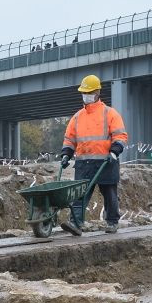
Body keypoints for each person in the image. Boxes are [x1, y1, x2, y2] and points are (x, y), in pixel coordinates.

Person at [59, 74, 127, 233]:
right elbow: (70, 139)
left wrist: (114, 152)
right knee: (80, 195)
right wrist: (66, 155)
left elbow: (120, 136)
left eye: (89, 93)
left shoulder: (110, 113)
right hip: (84, 164)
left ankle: (112, 222)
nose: (86, 96)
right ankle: (76, 223)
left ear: (97, 93)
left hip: (106, 162)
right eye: (84, 92)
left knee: (110, 194)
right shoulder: (77, 117)